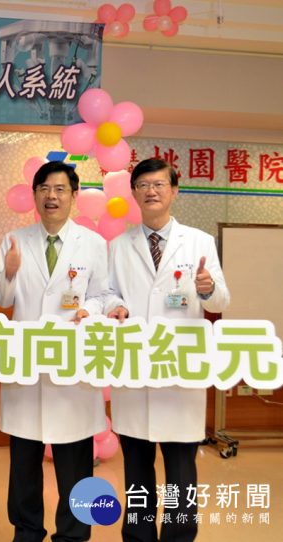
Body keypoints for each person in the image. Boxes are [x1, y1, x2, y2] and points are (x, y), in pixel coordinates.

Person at [106, 158, 230, 542]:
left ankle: (179, 537)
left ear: (174, 191)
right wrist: (115, 306)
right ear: (134, 193)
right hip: (135, 371)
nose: (151, 191)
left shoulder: (199, 242)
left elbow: (220, 301)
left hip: (179, 372)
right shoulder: (119, 245)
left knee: (181, 473)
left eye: (159, 184)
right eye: (143, 184)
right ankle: (138, 537)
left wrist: (208, 288)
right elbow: (109, 291)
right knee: (137, 472)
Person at [0, 161, 109, 542]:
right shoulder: (15, 240)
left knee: (75, 463)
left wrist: (89, 311)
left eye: (59, 189)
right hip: (27, 365)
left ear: (74, 195)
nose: (51, 196)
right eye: (44, 189)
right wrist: (10, 272)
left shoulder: (93, 244)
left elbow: (103, 294)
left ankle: (74, 534)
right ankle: (27, 531)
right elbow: (1, 296)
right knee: (24, 464)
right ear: (35, 195)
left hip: (72, 367)